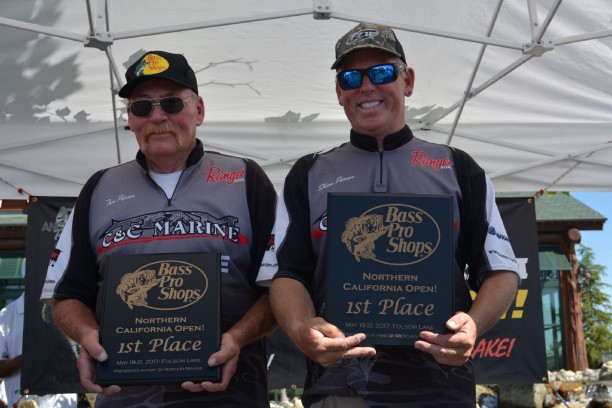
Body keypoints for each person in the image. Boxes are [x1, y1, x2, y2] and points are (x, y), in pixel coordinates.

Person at [267, 23, 521, 407]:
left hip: (439, 384)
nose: (366, 86)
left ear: (408, 81)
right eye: (350, 77)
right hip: (340, 386)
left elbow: (501, 271)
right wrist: (302, 328)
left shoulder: (457, 167)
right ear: (339, 93)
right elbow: (287, 273)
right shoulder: (308, 173)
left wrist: (474, 325)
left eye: (382, 72)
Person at [40, 50, 277, 407]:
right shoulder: (100, 187)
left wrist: (237, 338)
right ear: (129, 119)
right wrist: (87, 334)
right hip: (126, 396)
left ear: (199, 110)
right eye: (142, 107)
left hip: (227, 391)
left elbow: (281, 285)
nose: (158, 117)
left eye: (171, 103)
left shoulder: (245, 177)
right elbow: (66, 294)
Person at [0, 261, 77, 408]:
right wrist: (24, 359)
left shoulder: (69, 312)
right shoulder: (5, 317)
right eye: (40, 277)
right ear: (26, 278)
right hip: (20, 400)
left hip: (62, 402)